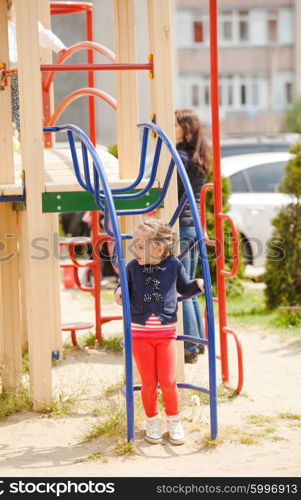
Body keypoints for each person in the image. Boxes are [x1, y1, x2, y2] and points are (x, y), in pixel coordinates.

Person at [114, 219, 204, 445]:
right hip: (140, 335)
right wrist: (118, 292)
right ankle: (152, 419)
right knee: (148, 381)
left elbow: (185, 287)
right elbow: (122, 285)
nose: (136, 250)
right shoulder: (133, 267)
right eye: (135, 245)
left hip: (165, 335)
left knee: (168, 380)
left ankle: (174, 420)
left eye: (141, 247)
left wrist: (199, 283)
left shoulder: (174, 266)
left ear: (159, 248)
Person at [0, 0, 67, 134]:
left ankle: (26, 133)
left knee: (21, 107)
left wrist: (59, 47)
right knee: (8, 109)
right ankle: (20, 133)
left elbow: (44, 35)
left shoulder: (24, 22)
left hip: (21, 70)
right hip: (5, 71)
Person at [175, 109, 211, 364]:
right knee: (192, 287)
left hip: (182, 225)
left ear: (185, 129)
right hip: (194, 226)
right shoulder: (197, 157)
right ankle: (197, 342)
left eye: (174, 124)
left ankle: (188, 346)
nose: (171, 128)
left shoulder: (180, 156)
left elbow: (170, 191)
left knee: (182, 287)